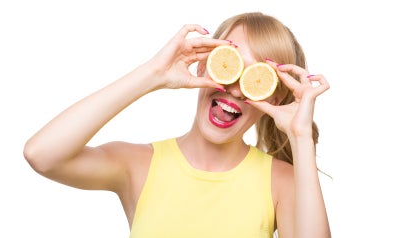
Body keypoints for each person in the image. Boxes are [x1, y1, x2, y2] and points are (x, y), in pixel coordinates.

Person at [23, 12, 331, 238]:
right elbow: (42, 154)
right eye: (229, 65)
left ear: (273, 99)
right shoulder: (139, 164)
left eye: (255, 79)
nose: (236, 89)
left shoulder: (282, 181)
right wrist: (153, 74)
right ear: (203, 63)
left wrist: (301, 137)